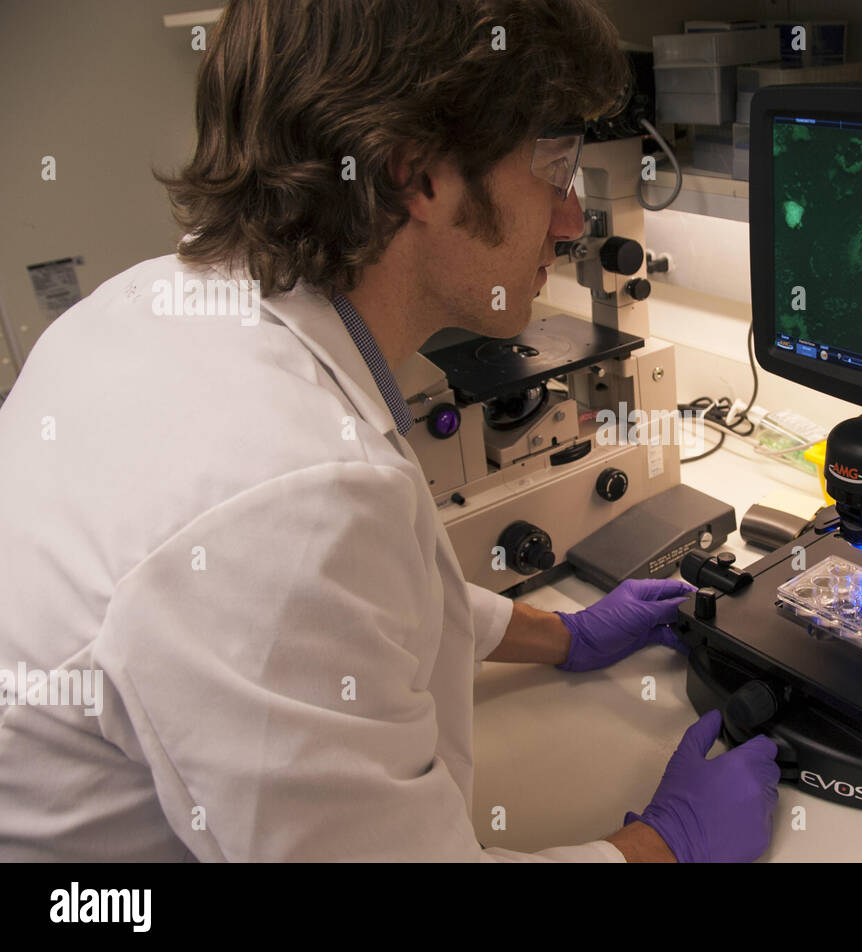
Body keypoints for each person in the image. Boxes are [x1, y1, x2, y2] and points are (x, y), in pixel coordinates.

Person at [0, 0, 778, 862]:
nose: (569, 219)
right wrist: (666, 848)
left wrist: (561, 636)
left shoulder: (144, 301)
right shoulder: (284, 495)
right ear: (417, 176)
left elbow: (373, 607)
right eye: (555, 168)